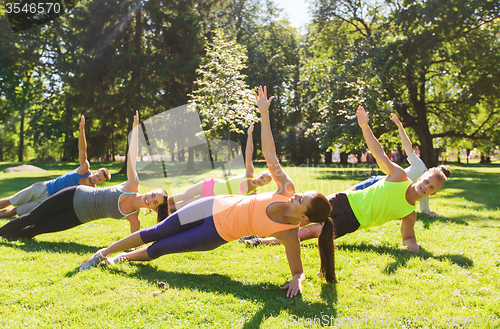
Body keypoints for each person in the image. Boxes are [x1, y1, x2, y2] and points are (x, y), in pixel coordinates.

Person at [79, 86, 335, 298]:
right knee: (155, 232)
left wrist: (298, 280)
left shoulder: (289, 234)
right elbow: (270, 154)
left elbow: (297, 270)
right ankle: (101, 254)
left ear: (303, 218)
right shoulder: (286, 189)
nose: (296, 195)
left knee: (161, 248)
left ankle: (123, 258)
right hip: (212, 205)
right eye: (301, 193)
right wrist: (264, 114)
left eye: (301, 199)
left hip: (216, 233)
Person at [242, 107, 450, 251]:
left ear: (433, 193)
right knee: (303, 217)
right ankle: (257, 233)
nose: (425, 186)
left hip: (354, 221)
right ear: (421, 176)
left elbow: (408, 237)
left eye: (430, 187)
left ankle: (263, 241)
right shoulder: (399, 176)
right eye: (426, 181)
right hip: (346, 200)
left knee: (313, 231)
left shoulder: (409, 213)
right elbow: (379, 154)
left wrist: (415, 249)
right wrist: (364, 127)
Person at [0, 111, 169, 239]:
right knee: (32, 217)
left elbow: (134, 240)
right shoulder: (132, 185)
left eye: (154, 202)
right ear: (150, 190)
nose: (149, 199)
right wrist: (135, 129)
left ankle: (7, 237)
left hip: (76, 217)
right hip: (72, 195)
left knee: (38, 229)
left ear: (153, 208)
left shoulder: (134, 218)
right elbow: (132, 156)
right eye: (153, 194)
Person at [0, 115, 111, 219]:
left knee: (17, 211)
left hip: (47, 202)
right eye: (97, 175)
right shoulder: (84, 169)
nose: (96, 178)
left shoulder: (90, 191)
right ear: (96, 171)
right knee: (11, 200)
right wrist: (82, 130)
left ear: (101, 182)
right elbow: (82, 150)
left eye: (100, 179)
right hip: (43, 188)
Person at [167, 123, 272, 213]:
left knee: (185, 205)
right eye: (262, 177)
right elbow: (249, 153)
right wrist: (249, 135)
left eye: (265, 181)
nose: (261, 180)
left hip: (211, 198)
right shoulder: (249, 174)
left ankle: (160, 209)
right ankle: (160, 203)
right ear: (259, 175)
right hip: (211, 184)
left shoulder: (252, 195)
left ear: (265, 185)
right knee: (184, 195)